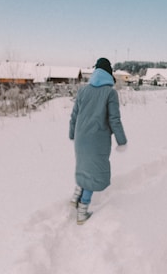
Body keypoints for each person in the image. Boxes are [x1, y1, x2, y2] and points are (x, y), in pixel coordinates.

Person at [69, 57, 127, 225]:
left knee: (83, 166)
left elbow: (74, 116)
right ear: (109, 73)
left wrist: (73, 134)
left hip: (81, 138)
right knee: (93, 172)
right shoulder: (110, 92)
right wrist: (121, 140)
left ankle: (75, 198)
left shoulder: (83, 90)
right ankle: (82, 212)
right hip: (97, 139)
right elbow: (114, 119)